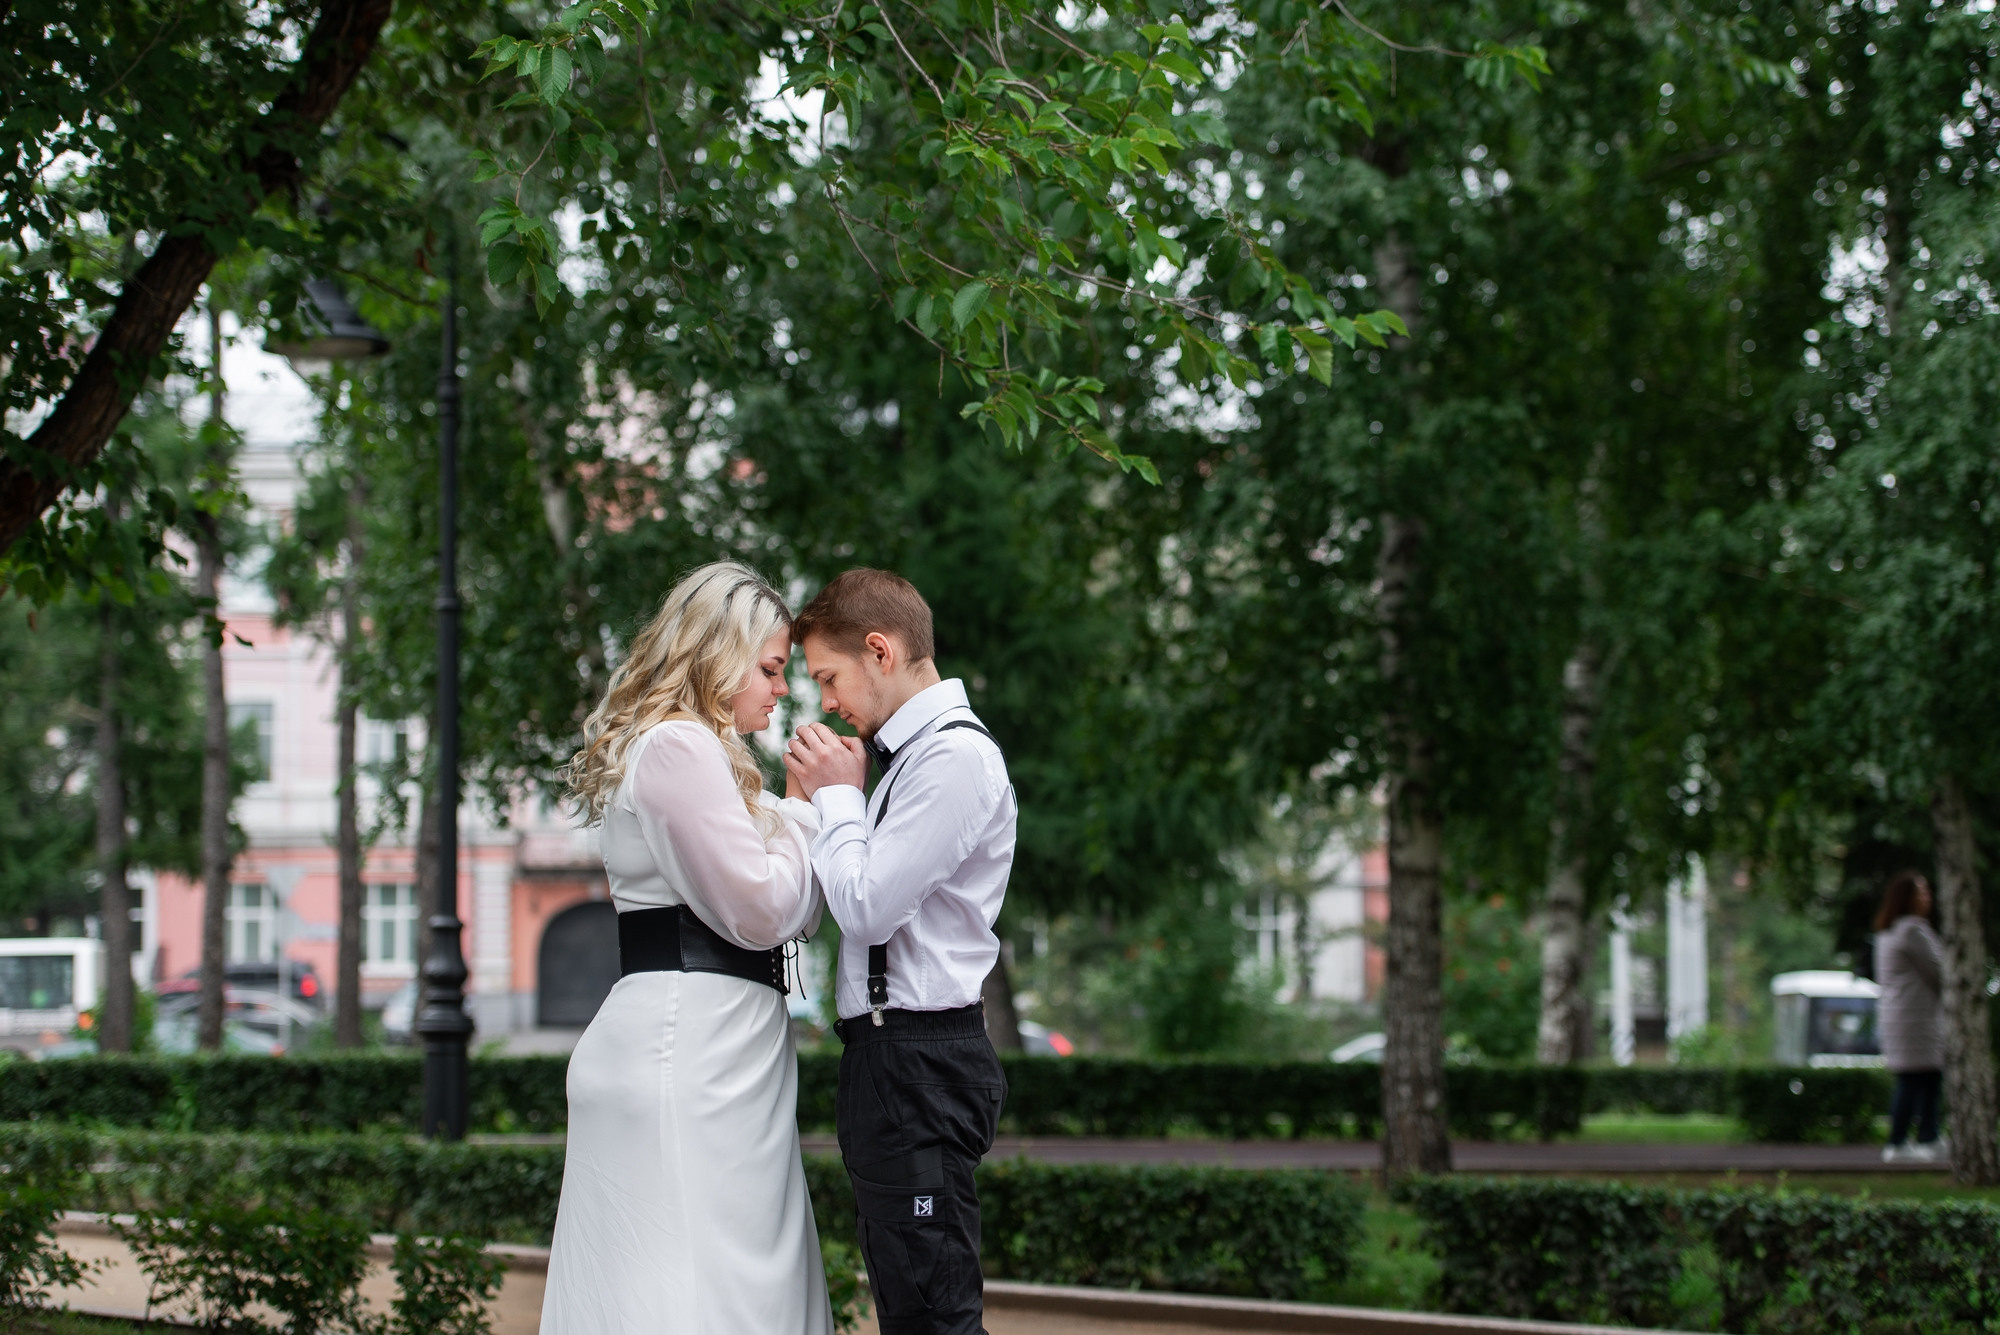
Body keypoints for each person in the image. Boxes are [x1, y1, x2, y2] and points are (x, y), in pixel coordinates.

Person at [540, 562, 833, 1334]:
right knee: (702, 1284)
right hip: (692, 1048)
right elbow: (764, 908)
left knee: (721, 1276)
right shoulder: (678, 748)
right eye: (770, 669)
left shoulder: (704, 757)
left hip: (721, 1040)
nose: (781, 689)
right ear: (716, 654)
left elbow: (779, 907)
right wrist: (806, 814)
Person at [784, 569, 1015, 1335]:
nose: (825, 699)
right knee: (914, 1304)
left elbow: (869, 907)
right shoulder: (909, 760)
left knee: (934, 1313)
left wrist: (838, 797)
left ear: (879, 650)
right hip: (896, 1060)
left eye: (827, 675)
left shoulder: (953, 759)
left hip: (919, 1058)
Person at [1874, 869, 1946, 1164]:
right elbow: (1940, 970)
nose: (1928, 898)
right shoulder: (1912, 930)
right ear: (1909, 898)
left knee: (1922, 1077)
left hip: (1900, 1016)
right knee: (1919, 1078)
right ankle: (1902, 1140)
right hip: (1917, 1018)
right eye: (1923, 892)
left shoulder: (1887, 931)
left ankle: (1926, 1135)